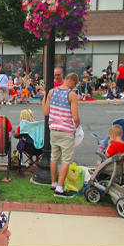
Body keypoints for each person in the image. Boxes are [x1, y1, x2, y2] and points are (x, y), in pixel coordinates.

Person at [42, 69, 80, 198]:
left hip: (54, 130)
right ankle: (59, 188)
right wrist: (78, 124)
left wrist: (44, 98)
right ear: (73, 81)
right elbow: (75, 117)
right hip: (66, 130)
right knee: (66, 160)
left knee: (54, 157)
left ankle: (53, 183)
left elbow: (46, 112)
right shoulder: (71, 94)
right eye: (75, 84)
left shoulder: (52, 92)